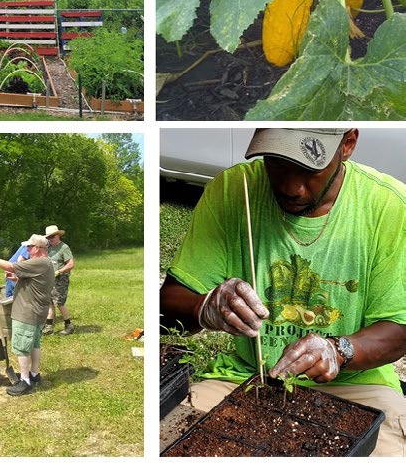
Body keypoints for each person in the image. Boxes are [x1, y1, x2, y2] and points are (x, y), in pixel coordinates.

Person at [160, 128, 406, 456]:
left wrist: (339, 350)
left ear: (347, 144)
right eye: (276, 164)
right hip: (247, 376)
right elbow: (168, 308)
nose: (290, 187)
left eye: (309, 169)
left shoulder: (389, 206)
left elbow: (398, 332)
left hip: (357, 386)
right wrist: (203, 306)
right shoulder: (236, 189)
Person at [0, 234, 55, 396]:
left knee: (22, 347)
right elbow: (31, 281)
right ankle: (34, 374)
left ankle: (25, 381)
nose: (27, 249)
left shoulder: (38, 262)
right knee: (34, 344)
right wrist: (16, 279)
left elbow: (10, 266)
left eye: (29, 247)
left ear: (38, 249)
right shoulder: (45, 263)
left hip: (27, 312)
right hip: (37, 311)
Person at [42, 225, 75, 335]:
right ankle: (49, 327)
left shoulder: (64, 247)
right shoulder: (49, 248)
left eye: (52, 237)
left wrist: (59, 271)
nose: (50, 239)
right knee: (50, 302)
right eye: (48, 237)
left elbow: (71, 264)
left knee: (59, 303)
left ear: (58, 235)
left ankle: (69, 326)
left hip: (61, 279)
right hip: (50, 278)